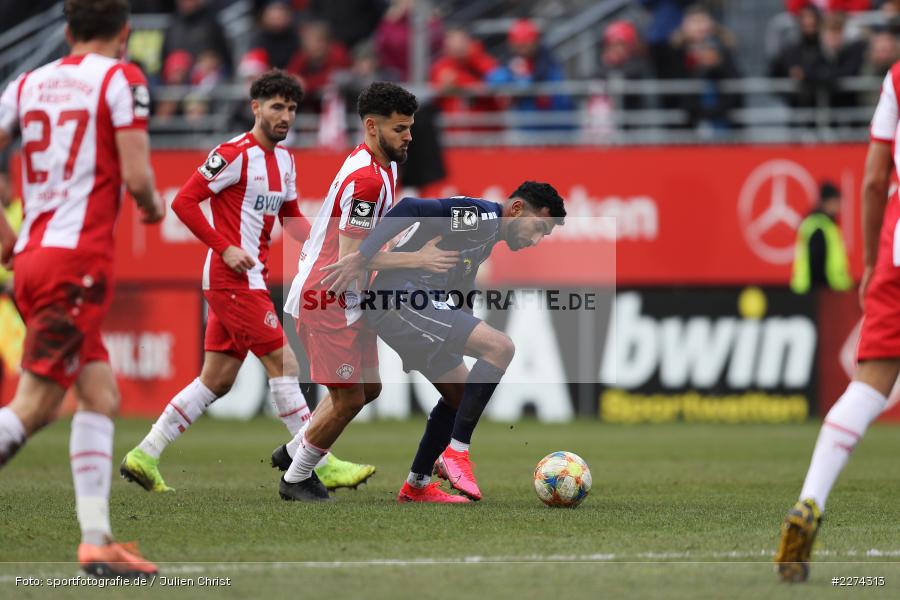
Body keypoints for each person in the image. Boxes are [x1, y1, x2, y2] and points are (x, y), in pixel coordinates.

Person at [120, 70, 375, 494]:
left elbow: (291, 219)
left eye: (292, 109)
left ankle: (145, 453)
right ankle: (318, 463)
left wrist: (327, 244)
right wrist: (223, 247)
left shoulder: (286, 161)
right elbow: (183, 202)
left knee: (216, 379)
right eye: (276, 106)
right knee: (285, 364)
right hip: (231, 276)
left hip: (252, 277)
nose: (285, 116)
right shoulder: (233, 153)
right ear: (255, 107)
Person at [0, 0, 165, 578]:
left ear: (67, 32)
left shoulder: (25, 84)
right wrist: (149, 204)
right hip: (77, 263)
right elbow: (138, 175)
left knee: (100, 397)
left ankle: (97, 542)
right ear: (125, 34)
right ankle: (95, 542)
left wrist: (5, 232)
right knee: (35, 405)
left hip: (31, 258)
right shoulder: (122, 78)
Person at [320, 182, 566, 503]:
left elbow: (462, 292)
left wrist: (456, 335)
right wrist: (361, 257)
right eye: (538, 228)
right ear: (517, 209)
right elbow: (411, 207)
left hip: (418, 305)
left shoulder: (486, 236)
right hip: (400, 299)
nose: (535, 241)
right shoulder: (482, 218)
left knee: (459, 394)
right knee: (501, 347)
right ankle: (457, 454)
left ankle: (417, 486)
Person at [277, 82, 457, 501]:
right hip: (328, 296)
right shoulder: (367, 181)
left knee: (367, 390)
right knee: (348, 397)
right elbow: (350, 258)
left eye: (410, 127)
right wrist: (419, 259)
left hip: (351, 296)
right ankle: (296, 478)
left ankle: (291, 452)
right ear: (372, 127)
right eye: (400, 129)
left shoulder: (384, 165)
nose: (409, 136)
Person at [774, 59, 900, 582]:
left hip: (898, 246)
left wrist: (872, 258)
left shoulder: (896, 76)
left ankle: (809, 501)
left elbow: (874, 180)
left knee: (870, 382)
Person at [790, 181, 852, 294]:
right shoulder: (820, 226)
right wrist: (822, 292)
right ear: (829, 201)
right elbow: (817, 263)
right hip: (821, 292)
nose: (839, 206)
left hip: (813, 291)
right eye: (837, 201)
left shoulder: (819, 224)